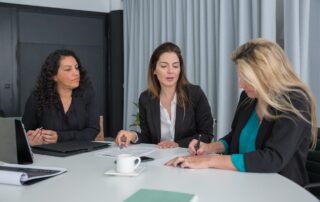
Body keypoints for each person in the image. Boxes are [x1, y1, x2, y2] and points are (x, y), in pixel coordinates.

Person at [166, 38, 318, 186]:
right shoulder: (248, 97)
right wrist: (209, 148)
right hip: (244, 182)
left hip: (282, 190)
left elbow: (273, 158)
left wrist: (211, 160)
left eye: (247, 78)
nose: (241, 84)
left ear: (268, 74)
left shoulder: (295, 103)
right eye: (241, 77)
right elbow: (235, 137)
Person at [115, 42, 214, 148]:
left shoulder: (195, 94)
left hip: (188, 158)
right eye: (164, 66)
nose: (170, 71)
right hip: (158, 159)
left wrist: (177, 144)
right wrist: (132, 135)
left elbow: (206, 135)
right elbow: (148, 138)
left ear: (180, 70)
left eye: (175, 66)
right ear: (154, 70)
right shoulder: (145, 98)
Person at [22, 49, 100, 146]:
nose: (76, 73)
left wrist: (60, 137)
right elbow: (24, 132)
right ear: (54, 76)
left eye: (76, 68)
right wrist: (31, 139)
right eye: (68, 69)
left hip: (81, 153)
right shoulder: (37, 97)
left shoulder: (87, 94)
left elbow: (93, 130)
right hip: (48, 156)